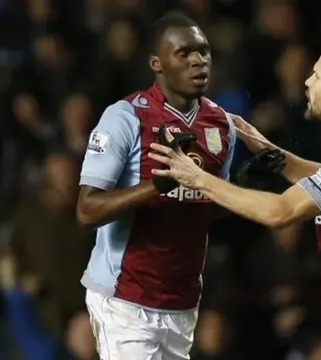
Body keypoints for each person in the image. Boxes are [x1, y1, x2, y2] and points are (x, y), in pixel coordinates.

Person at [148, 45, 321, 360]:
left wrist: (196, 177)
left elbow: (280, 211)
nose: (308, 82)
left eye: (317, 75)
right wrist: (267, 149)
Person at [76, 12, 236, 360]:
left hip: (182, 299)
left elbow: (204, 207)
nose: (198, 61)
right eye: (185, 53)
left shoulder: (221, 125)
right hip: (126, 297)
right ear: (157, 63)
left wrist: (245, 186)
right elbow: (87, 210)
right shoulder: (124, 117)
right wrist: (156, 186)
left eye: (204, 52)